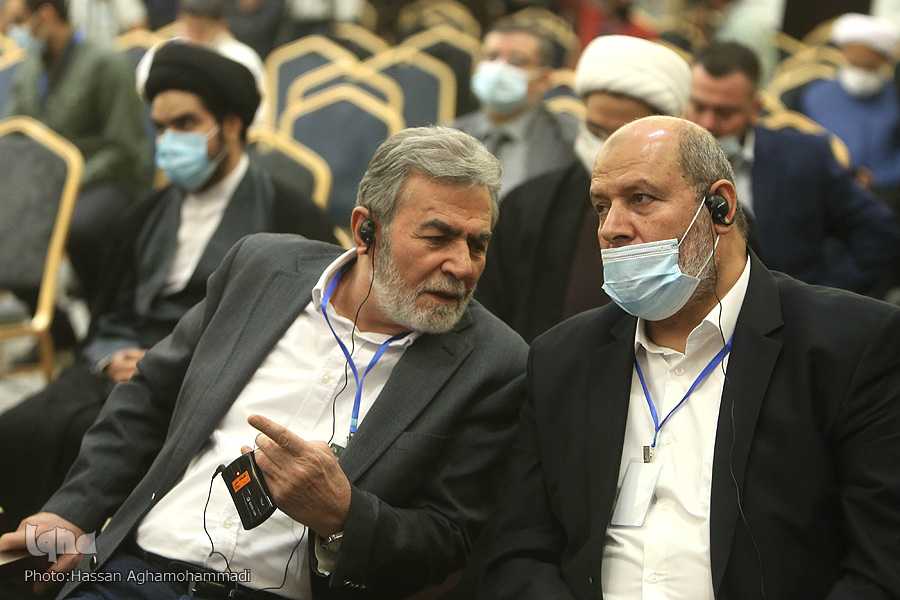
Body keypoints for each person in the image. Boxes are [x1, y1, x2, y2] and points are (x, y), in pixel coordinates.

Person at [0, 126, 528, 600]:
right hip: (137, 573)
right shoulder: (261, 268)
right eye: (437, 238)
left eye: (477, 244)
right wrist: (70, 512)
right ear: (366, 229)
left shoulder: (494, 364)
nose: (461, 265)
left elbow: (449, 541)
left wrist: (343, 515)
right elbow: (149, 399)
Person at [477, 115, 900, 600]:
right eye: (601, 206)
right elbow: (519, 553)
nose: (612, 229)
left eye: (640, 198)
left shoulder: (848, 347)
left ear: (721, 207)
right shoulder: (561, 358)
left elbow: (882, 567)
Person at [0, 42, 336, 547]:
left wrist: (170, 363)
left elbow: (300, 331)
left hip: (210, 374)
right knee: (20, 428)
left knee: (99, 434)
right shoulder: (146, 212)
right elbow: (109, 312)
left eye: (185, 124)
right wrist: (111, 357)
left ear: (230, 125)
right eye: (160, 128)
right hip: (121, 365)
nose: (169, 140)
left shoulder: (287, 214)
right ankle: (28, 562)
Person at [476, 34, 691, 342]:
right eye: (595, 130)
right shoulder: (528, 207)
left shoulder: (700, 213)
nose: (607, 148)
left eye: (623, 136)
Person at [686, 41, 900, 296]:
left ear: (756, 110)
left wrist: (824, 297)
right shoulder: (661, 160)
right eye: (698, 107)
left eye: (725, 112)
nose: (708, 123)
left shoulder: (805, 157)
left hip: (788, 307)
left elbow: (878, 231)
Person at [3, 0, 151, 304]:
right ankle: (52, 322)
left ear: (45, 14)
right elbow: (12, 137)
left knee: (79, 227)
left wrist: (70, 181)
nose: (12, 29)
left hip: (106, 180)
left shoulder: (106, 62)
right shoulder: (30, 70)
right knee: (9, 229)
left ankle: (103, 308)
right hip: (47, 184)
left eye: (18, 20)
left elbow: (124, 147)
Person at [453, 17, 577, 199]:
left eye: (517, 61)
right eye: (491, 57)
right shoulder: (450, 135)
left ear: (544, 80)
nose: (499, 68)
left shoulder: (568, 142)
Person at [798, 13, 900, 213]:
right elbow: (803, 150)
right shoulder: (815, 96)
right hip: (825, 193)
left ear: (883, 61)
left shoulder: (895, 96)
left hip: (886, 196)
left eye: (868, 68)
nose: (861, 75)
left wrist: (878, 178)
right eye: (855, 66)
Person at [136, 0, 268, 126]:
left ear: (221, 25)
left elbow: (258, 115)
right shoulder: (163, 55)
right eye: (189, 27)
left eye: (201, 29)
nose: (194, 36)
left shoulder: (242, 58)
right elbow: (143, 98)